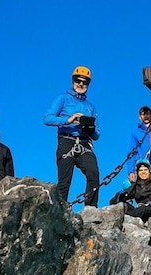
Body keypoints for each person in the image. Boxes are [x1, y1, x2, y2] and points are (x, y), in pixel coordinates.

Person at [44, 66, 101, 206]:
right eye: (77, 81)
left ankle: (91, 209)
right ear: (72, 81)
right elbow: (47, 118)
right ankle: (60, 212)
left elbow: (97, 135)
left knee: (93, 175)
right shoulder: (62, 98)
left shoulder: (90, 106)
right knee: (64, 182)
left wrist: (91, 128)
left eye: (85, 82)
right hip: (66, 141)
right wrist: (68, 120)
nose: (81, 84)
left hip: (84, 143)